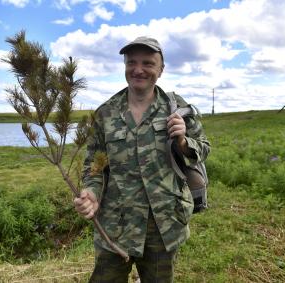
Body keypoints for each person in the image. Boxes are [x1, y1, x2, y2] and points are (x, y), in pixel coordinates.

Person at [74, 36, 210, 282]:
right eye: (131, 62)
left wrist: (182, 142)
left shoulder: (178, 108)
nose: (138, 70)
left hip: (163, 225)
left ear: (161, 69)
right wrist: (91, 193)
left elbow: (204, 148)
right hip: (116, 224)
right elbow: (95, 167)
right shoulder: (105, 113)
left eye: (148, 63)